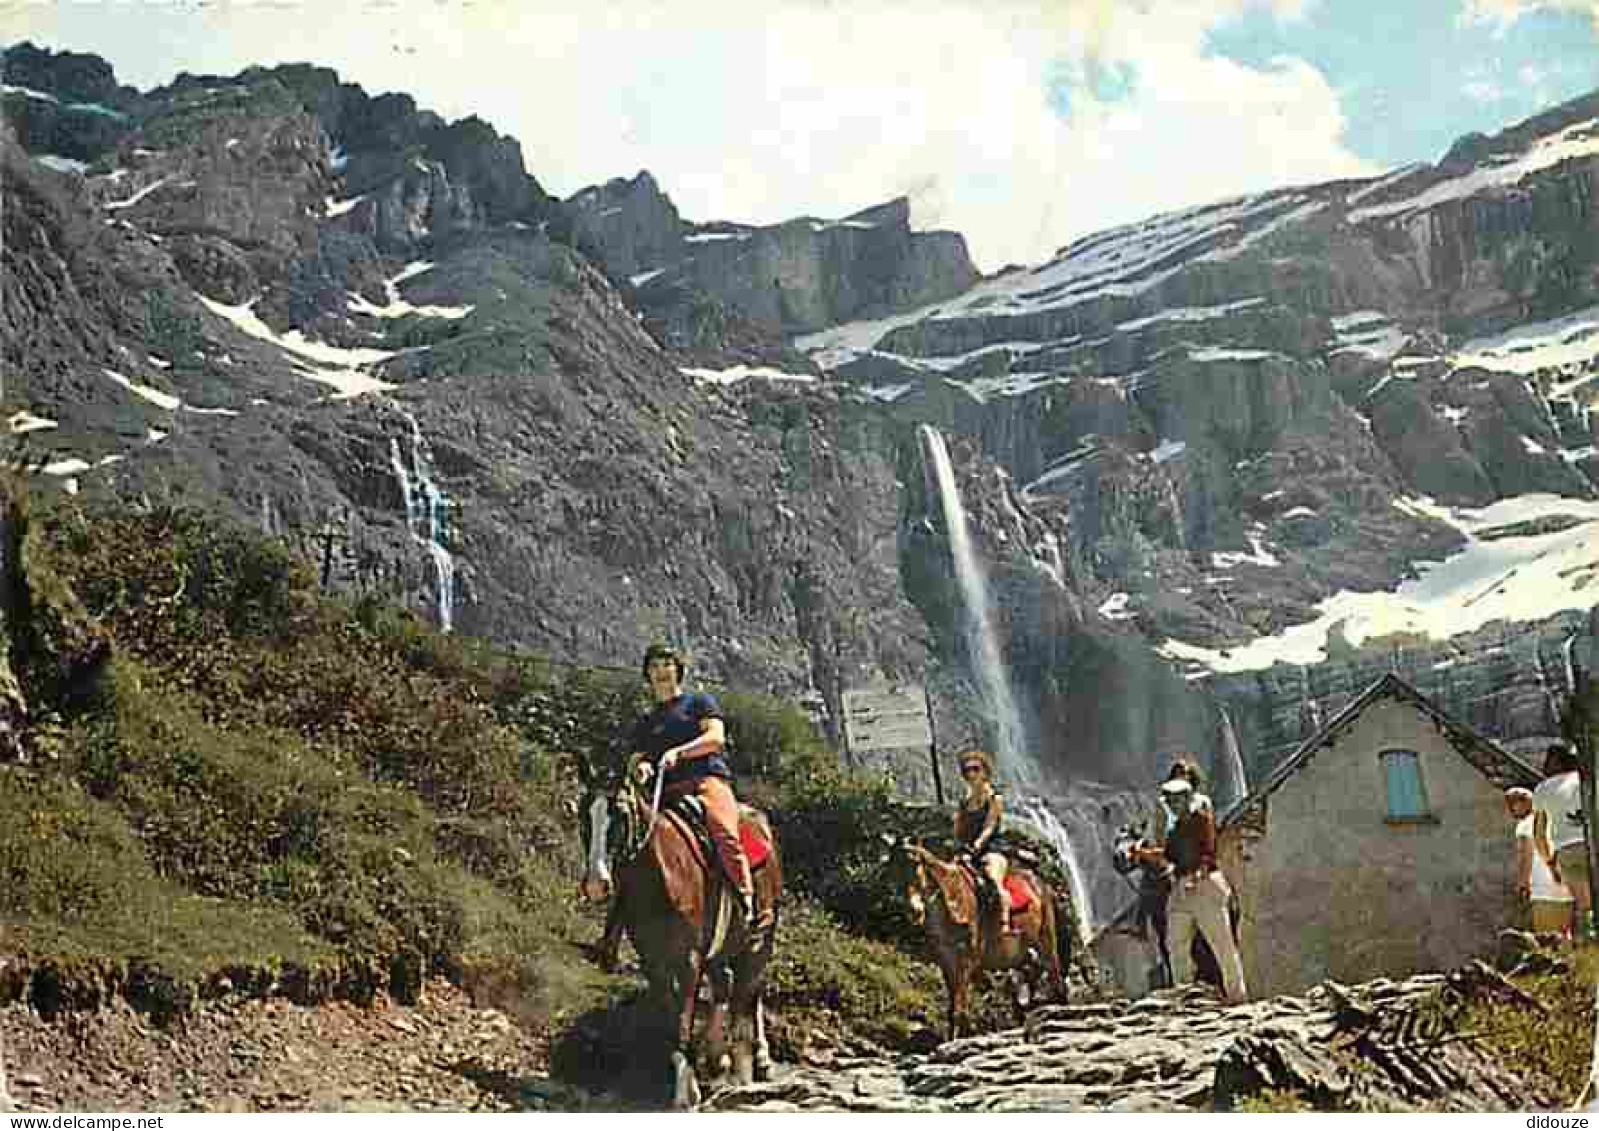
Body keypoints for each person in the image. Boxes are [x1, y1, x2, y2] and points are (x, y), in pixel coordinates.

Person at [629, 643, 755, 925]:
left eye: (667, 665)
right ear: (647, 674)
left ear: (678, 671)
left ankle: (744, 896)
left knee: (723, 830)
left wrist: (679, 752)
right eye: (655, 666)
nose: (661, 672)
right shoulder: (645, 721)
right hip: (664, 792)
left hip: (705, 781)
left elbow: (715, 738)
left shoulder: (698, 703)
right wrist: (644, 767)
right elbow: (636, 759)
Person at [1135, 776, 1248, 1002]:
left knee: (1223, 946)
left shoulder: (1201, 819)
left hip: (1205, 887)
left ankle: (1238, 999)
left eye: (1174, 801)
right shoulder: (1175, 829)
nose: (1171, 805)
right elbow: (1168, 856)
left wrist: (1198, 873)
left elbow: (1207, 850)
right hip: (1182, 889)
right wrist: (1141, 853)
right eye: (1169, 801)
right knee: (1176, 945)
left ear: (1185, 799)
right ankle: (1185, 998)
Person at [953, 749, 1016, 934]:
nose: (971, 774)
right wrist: (956, 844)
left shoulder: (995, 798)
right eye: (967, 771)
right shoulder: (964, 802)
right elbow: (957, 829)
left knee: (992, 878)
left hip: (992, 848)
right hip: (968, 850)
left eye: (975, 769)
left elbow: (989, 826)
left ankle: (1005, 923)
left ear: (985, 771)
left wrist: (977, 845)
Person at [1533, 743, 1591, 939]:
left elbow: (1539, 835)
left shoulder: (1542, 789)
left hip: (1566, 851)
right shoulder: (1586, 779)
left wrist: (1550, 863)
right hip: (1592, 844)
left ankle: (1591, 947)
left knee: (1586, 907)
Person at [1506, 786, 1574, 937]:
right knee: (1565, 937)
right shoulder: (1552, 818)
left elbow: (1526, 856)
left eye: (1512, 804)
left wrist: (1522, 884)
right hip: (1567, 887)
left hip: (1543, 890)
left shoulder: (1525, 825)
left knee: (1547, 939)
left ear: (1523, 803)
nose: (1510, 810)